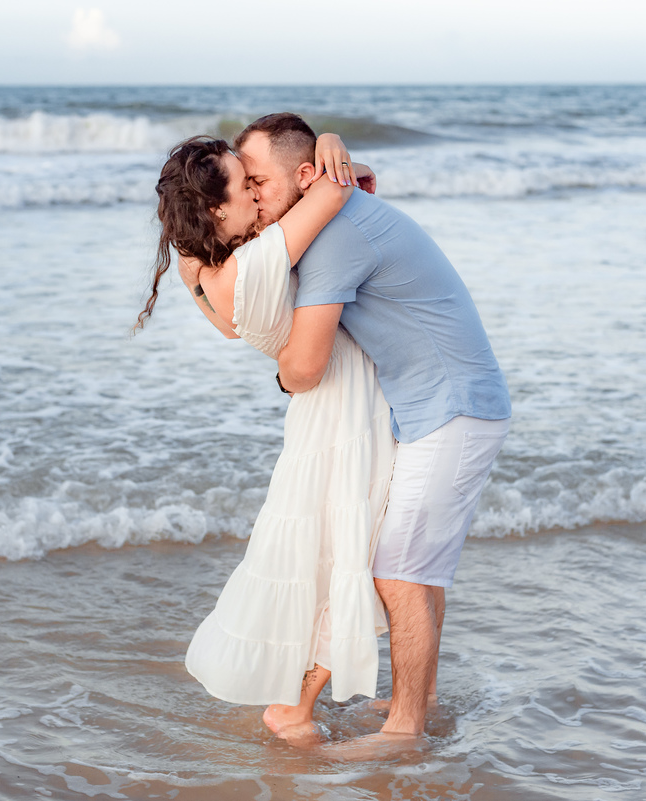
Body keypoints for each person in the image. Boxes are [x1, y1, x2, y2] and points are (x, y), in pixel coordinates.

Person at [236, 113, 512, 739]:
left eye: (258, 182)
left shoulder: (334, 237)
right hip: (450, 406)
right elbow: (356, 173)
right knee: (419, 569)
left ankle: (404, 730)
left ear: (306, 176)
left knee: (397, 571)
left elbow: (305, 368)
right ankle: (420, 704)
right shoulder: (340, 206)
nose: (252, 197)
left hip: (452, 410)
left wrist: (279, 368)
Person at [136, 134, 395, 743]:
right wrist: (329, 142)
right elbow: (338, 186)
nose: (257, 192)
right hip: (345, 407)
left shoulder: (201, 269)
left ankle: (295, 698)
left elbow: (233, 330)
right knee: (353, 554)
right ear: (217, 208)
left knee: (325, 556)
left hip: (318, 413)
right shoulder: (259, 260)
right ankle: (293, 708)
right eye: (244, 184)